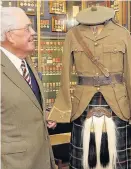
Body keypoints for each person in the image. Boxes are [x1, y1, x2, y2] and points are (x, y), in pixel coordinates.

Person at [49, 6, 131, 169]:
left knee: (117, 161)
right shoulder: (73, 34)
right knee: (81, 160)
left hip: (117, 104)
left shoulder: (122, 33)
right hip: (83, 103)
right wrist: (60, 111)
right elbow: (65, 75)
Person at [1, 7, 56, 169]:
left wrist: (42, 113)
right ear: (10, 35)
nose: (34, 32)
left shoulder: (26, 61)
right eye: (27, 28)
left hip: (42, 157)